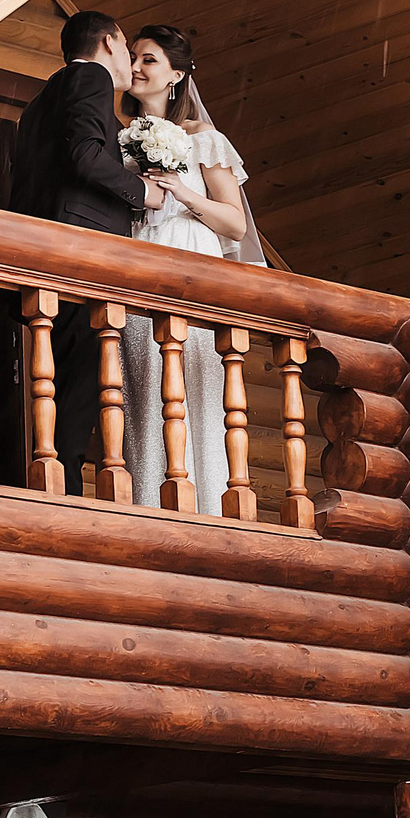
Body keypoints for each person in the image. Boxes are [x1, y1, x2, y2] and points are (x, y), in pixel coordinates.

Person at [8, 11, 164, 471]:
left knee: (53, 384)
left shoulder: (38, 103)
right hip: (81, 252)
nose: (130, 64)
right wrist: (144, 192)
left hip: (44, 253)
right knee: (77, 387)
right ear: (111, 41)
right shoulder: (90, 77)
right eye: (128, 51)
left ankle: (44, 475)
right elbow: (85, 156)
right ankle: (63, 486)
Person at [116, 25, 256, 513]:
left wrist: (182, 191)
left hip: (191, 254)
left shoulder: (206, 140)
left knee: (196, 382)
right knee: (143, 384)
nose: (135, 66)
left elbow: (235, 225)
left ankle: (210, 506)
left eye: (148, 59)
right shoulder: (120, 141)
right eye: (132, 57)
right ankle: (150, 500)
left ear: (175, 74)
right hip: (140, 257)